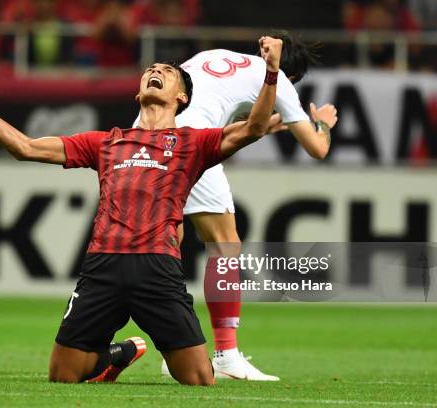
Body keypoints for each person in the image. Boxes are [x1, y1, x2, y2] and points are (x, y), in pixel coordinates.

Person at [0, 35, 285, 385]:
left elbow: (253, 127)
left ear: (182, 97)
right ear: (138, 92)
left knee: (199, 379)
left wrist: (271, 71)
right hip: (103, 267)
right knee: (62, 376)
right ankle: (120, 353)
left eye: (166, 71)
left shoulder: (194, 142)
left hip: (158, 270)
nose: (155, 71)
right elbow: (24, 148)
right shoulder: (105, 142)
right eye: (150, 69)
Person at [133, 31, 338, 381]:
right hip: (189, 140)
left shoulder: (217, 58)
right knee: (225, 246)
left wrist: (271, 124)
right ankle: (226, 354)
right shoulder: (277, 79)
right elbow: (317, 148)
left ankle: (173, 350)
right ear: (291, 78)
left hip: (145, 132)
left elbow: (220, 112)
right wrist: (323, 123)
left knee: (165, 244)